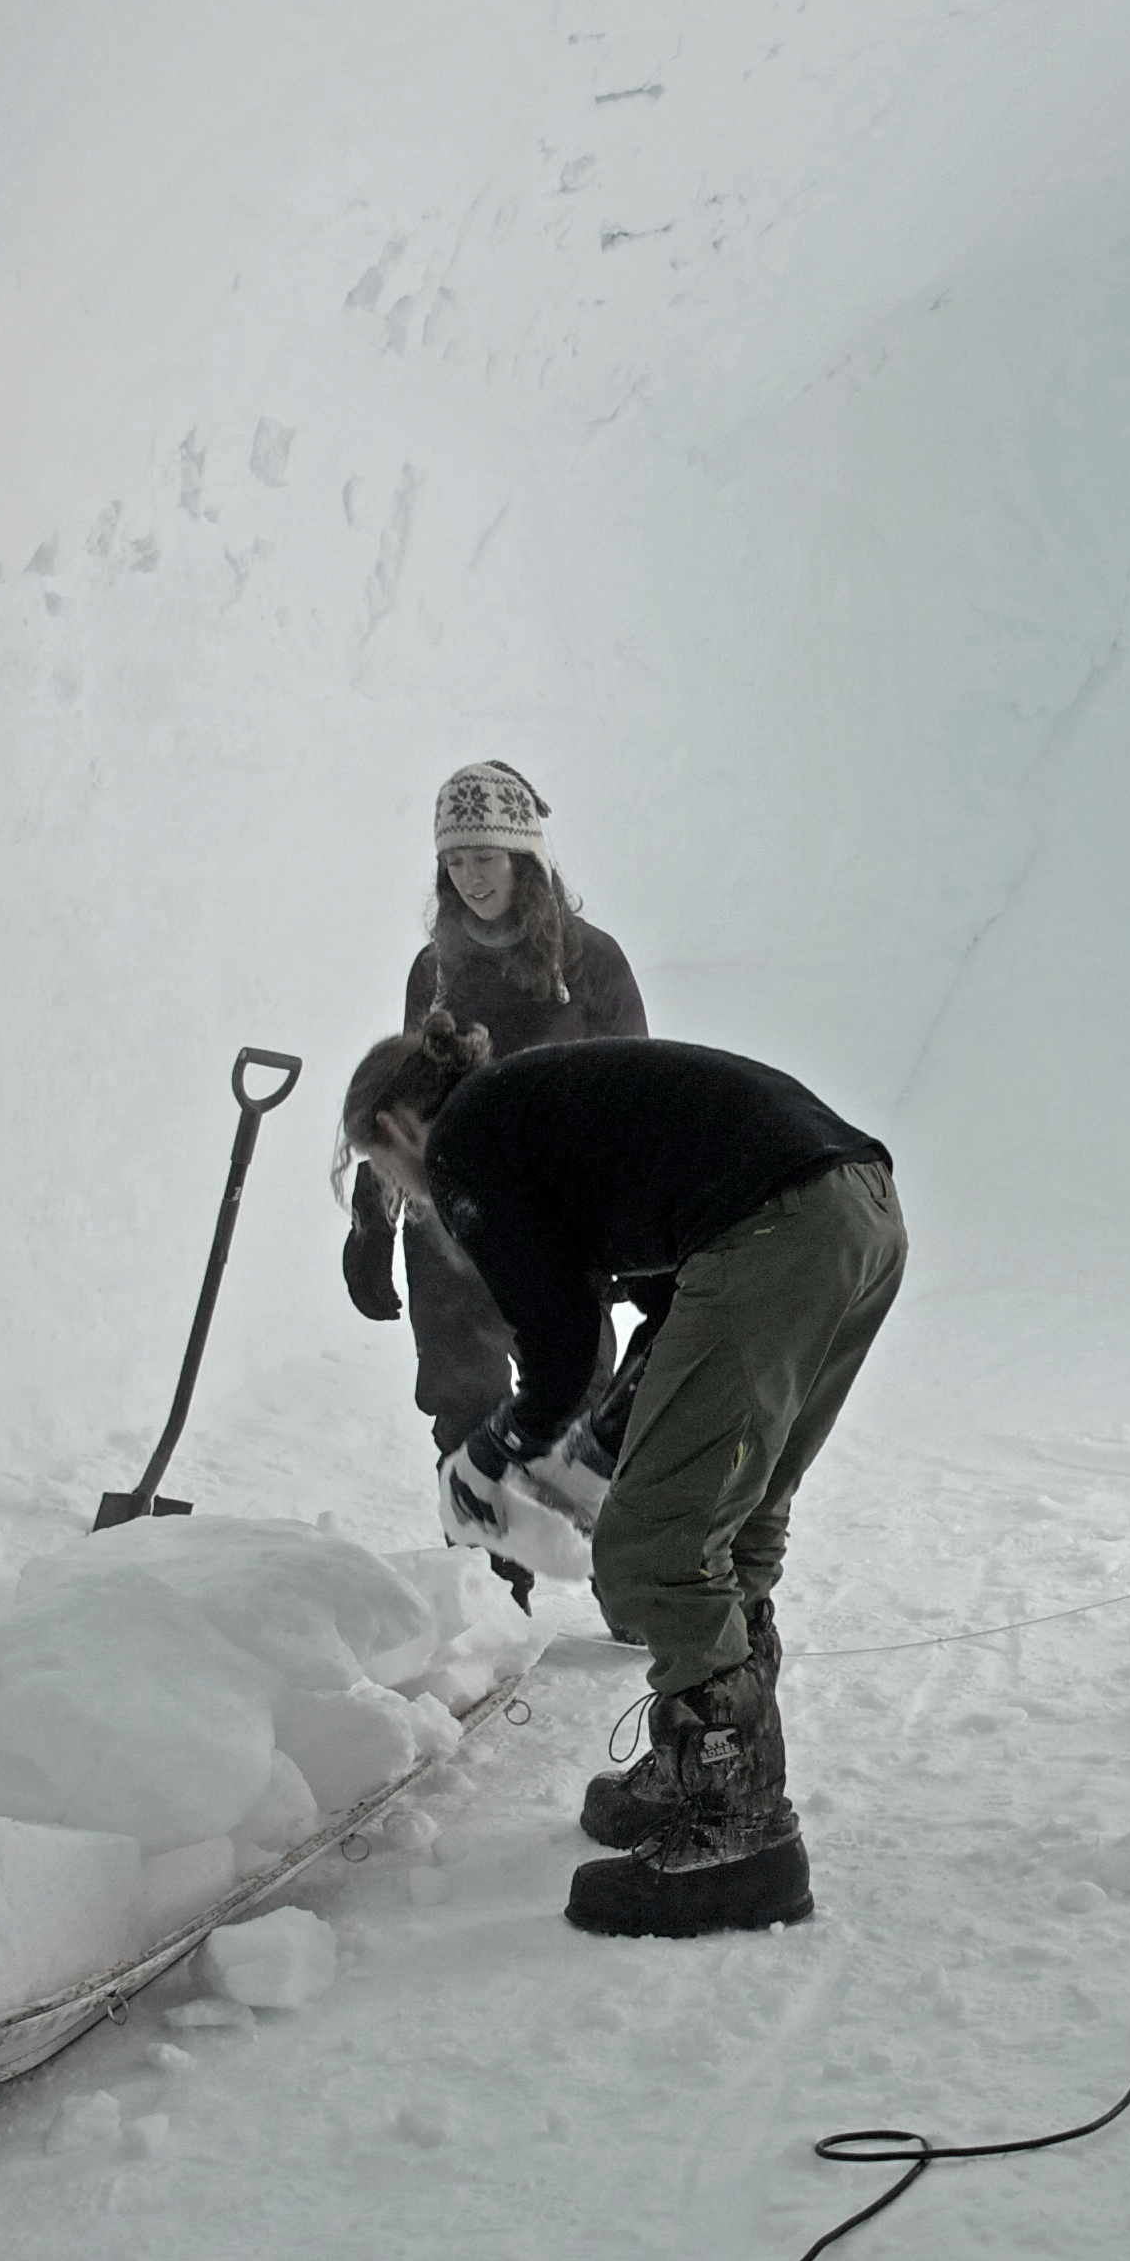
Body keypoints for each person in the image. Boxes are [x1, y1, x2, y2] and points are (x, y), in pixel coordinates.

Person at [339, 1018, 904, 1937]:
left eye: (385, 1171)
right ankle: (707, 1767)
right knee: (737, 1517)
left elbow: (562, 1345)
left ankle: (741, 1833)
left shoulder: (468, 1141)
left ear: (400, 1127)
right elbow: (658, 1302)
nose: (406, 1197)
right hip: (856, 1212)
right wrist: (596, 1439)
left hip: (777, 1227)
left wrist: (490, 1451)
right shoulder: (538, 1108)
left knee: (655, 1544)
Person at [338, 762, 650, 1602]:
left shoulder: (593, 966)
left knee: (586, 1408)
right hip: (448, 1225)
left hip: (559, 1222)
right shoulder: (432, 970)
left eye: (487, 857)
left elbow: (636, 1104)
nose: (471, 878)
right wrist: (371, 1222)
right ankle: (485, 1594)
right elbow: (396, 1105)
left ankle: (627, 1583)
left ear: (527, 862)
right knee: (463, 1402)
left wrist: (631, 1236)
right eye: (455, 862)